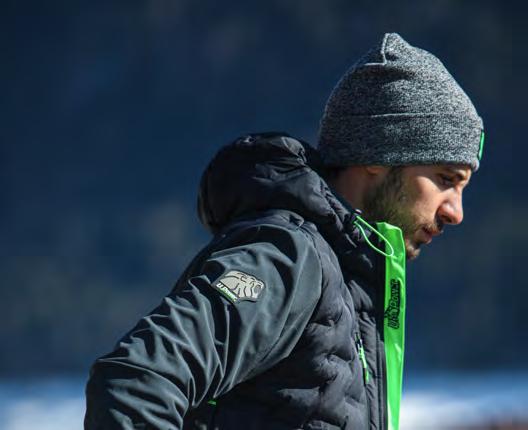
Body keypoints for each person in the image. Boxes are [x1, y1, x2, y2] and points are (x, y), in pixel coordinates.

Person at [84, 33, 484, 430]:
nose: (456, 213)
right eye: (446, 179)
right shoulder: (288, 258)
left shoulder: (348, 277)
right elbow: (136, 382)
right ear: (378, 155)